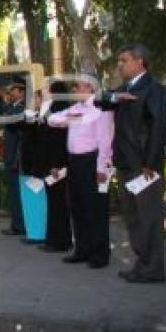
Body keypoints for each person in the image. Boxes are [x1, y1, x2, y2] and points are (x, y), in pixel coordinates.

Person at [98, 44, 166, 283]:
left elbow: (159, 129)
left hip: (144, 167)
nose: (119, 65)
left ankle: (153, 269)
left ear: (140, 61)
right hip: (126, 164)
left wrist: (149, 163)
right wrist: (115, 96)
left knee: (148, 219)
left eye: (124, 60)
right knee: (132, 218)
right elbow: (100, 100)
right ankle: (143, 265)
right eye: (119, 61)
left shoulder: (155, 90)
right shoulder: (123, 90)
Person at [48, 74, 114, 269]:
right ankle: (82, 249)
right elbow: (53, 120)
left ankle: (99, 254)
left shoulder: (101, 109)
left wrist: (101, 168)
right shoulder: (77, 108)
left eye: (79, 86)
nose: (75, 89)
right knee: (77, 206)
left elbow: (105, 142)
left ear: (91, 88)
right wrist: (71, 117)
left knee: (95, 209)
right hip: (75, 162)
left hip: (92, 161)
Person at [36, 80, 73, 253]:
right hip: (50, 161)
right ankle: (54, 238)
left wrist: (55, 164)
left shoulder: (59, 109)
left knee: (58, 202)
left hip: (56, 164)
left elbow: (58, 140)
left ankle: (60, 241)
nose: (43, 91)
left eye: (46, 89)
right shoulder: (51, 107)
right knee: (54, 201)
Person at [18, 89, 48, 244]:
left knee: (38, 200)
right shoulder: (30, 117)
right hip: (27, 163)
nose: (32, 102)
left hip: (37, 166)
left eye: (35, 99)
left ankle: (39, 233)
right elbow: (18, 125)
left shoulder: (45, 118)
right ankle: (33, 232)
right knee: (29, 200)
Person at [0, 81, 26, 236]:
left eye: (12, 91)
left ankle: (19, 225)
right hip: (11, 156)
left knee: (17, 194)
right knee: (13, 193)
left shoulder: (21, 108)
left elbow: (11, 120)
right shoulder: (13, 107)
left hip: (15, 158)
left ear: (21, 92)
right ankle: (16, 223)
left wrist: (4, 103)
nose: (9, 93)